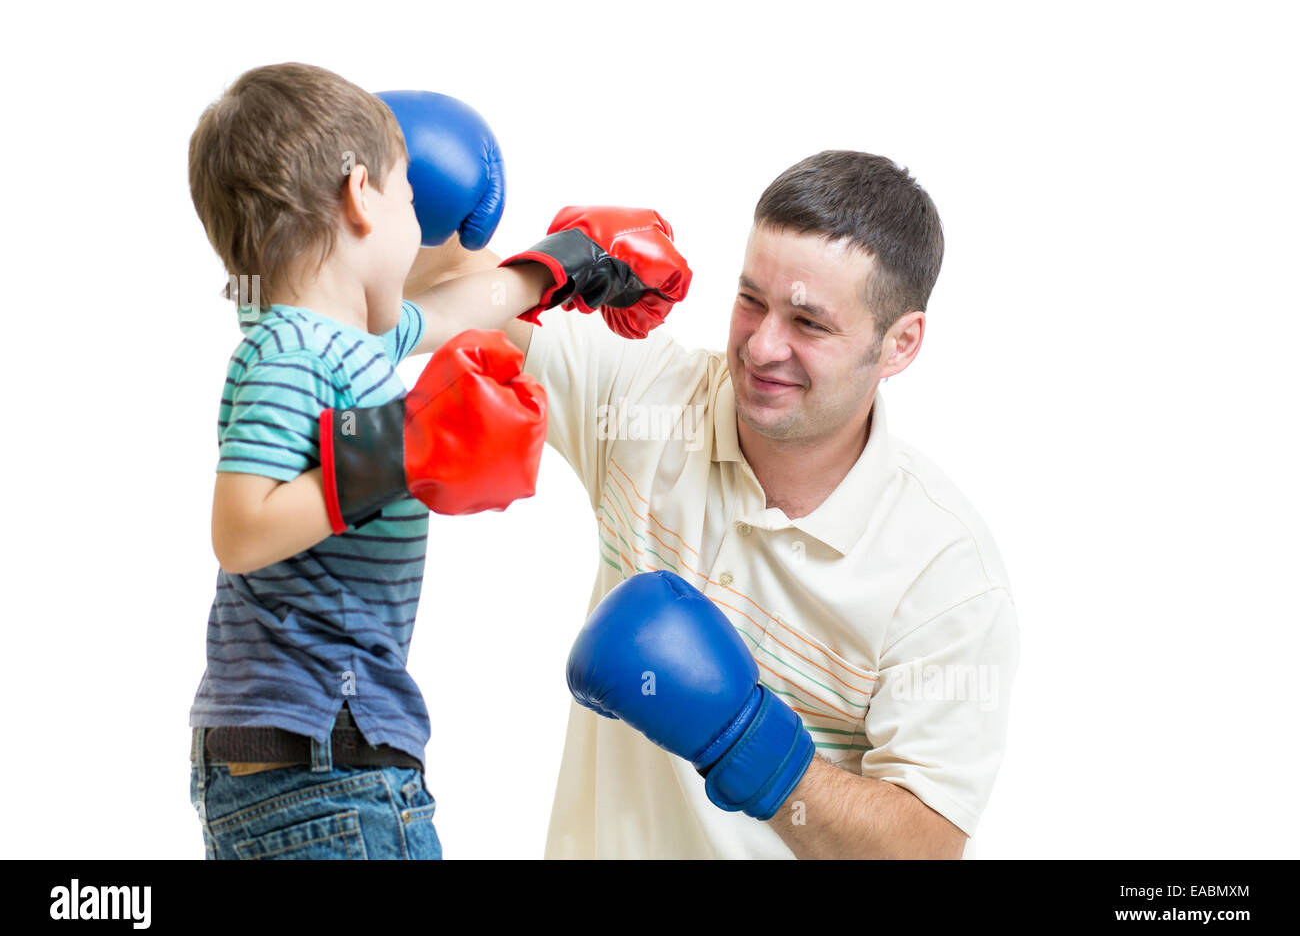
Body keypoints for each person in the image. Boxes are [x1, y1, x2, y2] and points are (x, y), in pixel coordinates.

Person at [428, 150, 1019, 859]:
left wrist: (747, 741)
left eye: (809, 323)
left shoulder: (945, 577)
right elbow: (421, 278)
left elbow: (923, 847)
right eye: (751, 301)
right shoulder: (646, 404)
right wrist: (552, 268)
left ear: (899, 344)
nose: (763, 346)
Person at [185, 63, 687, 859]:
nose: (421, 234)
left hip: (323, 760)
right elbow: (240, 529)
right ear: (360, 196)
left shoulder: (345, 339)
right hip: (321, 765)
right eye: (410, 204)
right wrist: (402, 445)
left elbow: (456, 310)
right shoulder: (289, 349)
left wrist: (564, 263)